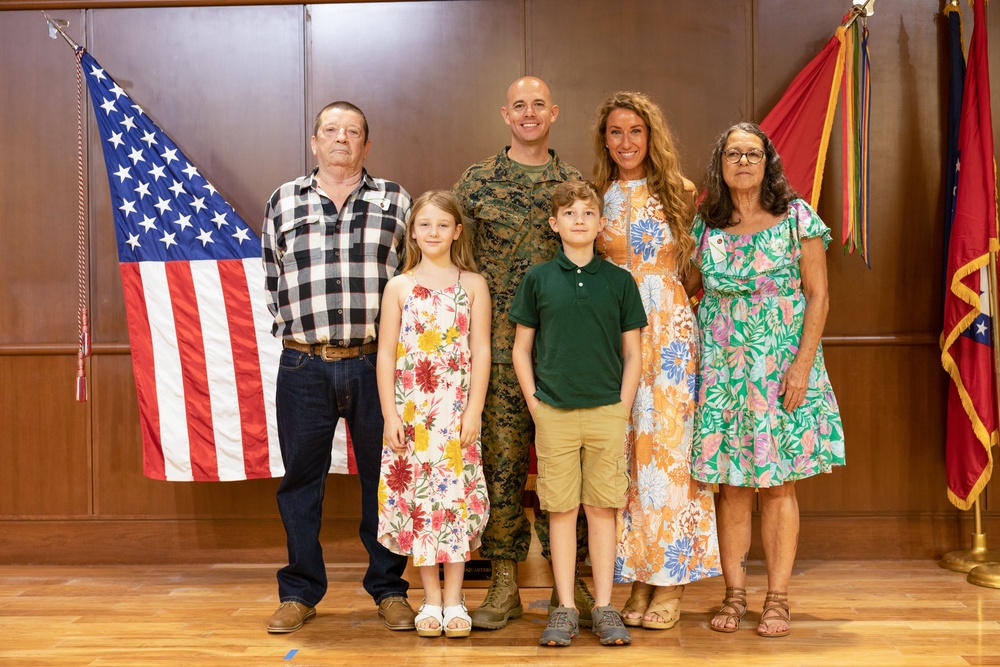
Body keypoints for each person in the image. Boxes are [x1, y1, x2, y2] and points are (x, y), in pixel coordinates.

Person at [262, 101, 415, 634]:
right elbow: (271, 278)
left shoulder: (396, 199)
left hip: (378, 364)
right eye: (331, 130)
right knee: (301, 481)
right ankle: (300, 591)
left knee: (385, 479)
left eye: (353, 132)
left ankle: (390, 589)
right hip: (305, 364)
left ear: (366, 145)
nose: (341, 139)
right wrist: (299, 335)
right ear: (314, 142)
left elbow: (413, 277)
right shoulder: (283, 199)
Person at [689, 122, 845, 638]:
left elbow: (818, 296)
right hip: (723, 368)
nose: (743, 162)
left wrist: (802, 365)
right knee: (731, 486)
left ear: (767, 161)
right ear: (721, 163)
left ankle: (778, 597)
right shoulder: (705, 224)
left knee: (778, 485)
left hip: (782, 366)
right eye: (733, 153)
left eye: (752, 153)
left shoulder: (797, 217)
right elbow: (687, 287)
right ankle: (734, 595)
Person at [453, 76, 594, 630]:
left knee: (569, 470)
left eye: (539, 104)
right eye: (519, 105)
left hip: (565, 353)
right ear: (504, 114)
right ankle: (505, 581)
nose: (529, 113)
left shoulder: (575, 183)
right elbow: (453, 257)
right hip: (498, 351)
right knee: (503, 465)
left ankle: (573, 581)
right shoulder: (478, 182)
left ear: (553, 112)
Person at [592, 91, 721, 630]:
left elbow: (696, 272)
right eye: (616, 132)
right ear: (605, 139)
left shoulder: (681, 192)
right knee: (629, 459)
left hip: (668, 332)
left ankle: (672, 580)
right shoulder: (597, 197)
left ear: (651, 136)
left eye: (635, 131)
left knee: (668, 454)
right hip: (616, 331)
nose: (626, 142)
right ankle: (641, 577)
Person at [510, 179, 646, 647]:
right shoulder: (539, 279)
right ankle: (565, 605)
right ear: (555, 223)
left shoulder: (620, 281)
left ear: (601, 222)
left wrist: (622, 406)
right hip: (555, 413)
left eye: (588, 213)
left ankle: (606, 605)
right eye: (570, 214)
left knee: (602, 509)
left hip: (607, 410)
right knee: (561, 510)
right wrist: (535, 402)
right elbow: (521, 348)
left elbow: (633, 353)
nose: (580, 220)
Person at [375, 191, 492, 639]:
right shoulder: (399, 287)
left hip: (455, 415)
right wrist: (390, 414)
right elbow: (386, 354)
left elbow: (480, 350)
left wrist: (474, 411)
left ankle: (456, 598)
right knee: (421, 504)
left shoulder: (472, 285)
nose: (433, 233)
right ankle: (430, 599)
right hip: (413, 417)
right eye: (424, 225)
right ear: (413, 231)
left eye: (443, 225)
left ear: (457, 231)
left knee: (454, 504)